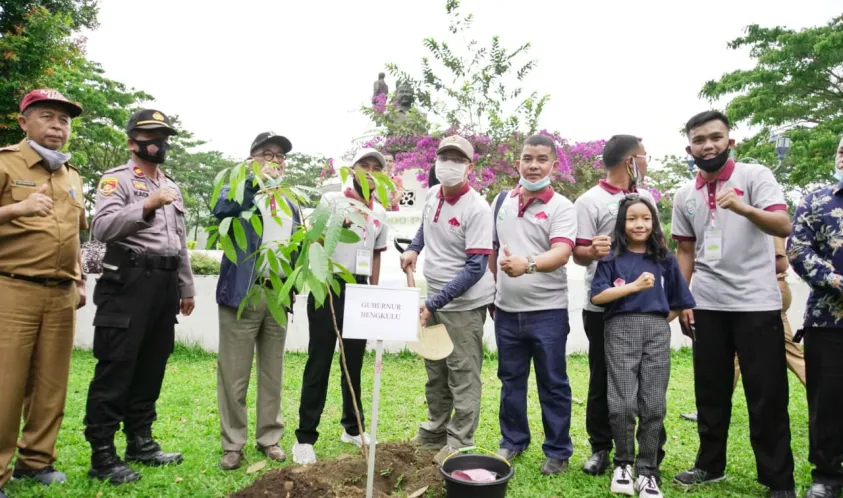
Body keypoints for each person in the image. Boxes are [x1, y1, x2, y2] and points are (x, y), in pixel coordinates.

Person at [671, 111, 795, 498]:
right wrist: (683, 299)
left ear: (730, 141)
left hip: (756, 302)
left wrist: (744, 209)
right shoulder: (683, 195)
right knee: (710, 390)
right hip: (707, 304)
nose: (707, 145)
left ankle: (778, 480)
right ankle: (710, 466)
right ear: (689, 147)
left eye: (715, 137)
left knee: (766, 393)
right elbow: (685, 250)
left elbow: (783, 225)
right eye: (699, 139)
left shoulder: (755, 176)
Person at [84, 109, 196, 484]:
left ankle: (141, 442)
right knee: (117, 364)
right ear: (132, 142)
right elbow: (101, 228)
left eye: (164, 136)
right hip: (128, 282)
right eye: (150, 136)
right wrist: (147, 205)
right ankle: (102, 454)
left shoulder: (171, 185)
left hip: (164, 286)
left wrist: (186, 286)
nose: (159, 143)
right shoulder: (116, 181)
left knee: (152, 364)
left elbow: (178, 243)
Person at [0, 89, 86, 496]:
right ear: (24, 122)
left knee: (52, 383)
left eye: (64, 120)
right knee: (6, 385)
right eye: (48, 116)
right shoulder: (4, 163)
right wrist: (15, 210)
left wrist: (79, 279)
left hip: (61, 293)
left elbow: (73, 236)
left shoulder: (73, 176)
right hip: (12, 288)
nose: (57, 126)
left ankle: (36, 461)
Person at [591, 195, 695, 498]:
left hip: (656, 330)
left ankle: (647, 470)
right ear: (622, 223)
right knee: (623, 402)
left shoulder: (664, 258)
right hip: (619, 328)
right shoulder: (611, 257)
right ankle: (623, 463)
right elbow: (598, 297)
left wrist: (660, 321)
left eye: (646, 218)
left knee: (653, 404)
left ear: (654, 222)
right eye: (632, 218)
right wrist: (633, 287)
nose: (640, 224)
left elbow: (679, 300)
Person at [401, 135, 495, 464]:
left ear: (470, 167)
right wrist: (414, 248)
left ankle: (459, 441)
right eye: (445, 158)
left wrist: (435, 302)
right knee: (435, 367)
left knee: (463, 372)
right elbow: (425, 228)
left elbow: (475, 267)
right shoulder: (431, 194)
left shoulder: (477, 209)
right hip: (436, 298)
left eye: (458, 160)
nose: (449, 165)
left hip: (464, 305)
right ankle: (434, 430)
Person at [292, 148, 388, 464]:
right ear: (352, 169)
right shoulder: (332, 201)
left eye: (376, 167)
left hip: (360, 292)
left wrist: (372, 292)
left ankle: (352, 427)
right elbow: (314, 243)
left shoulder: (380, 212)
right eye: (364, 165)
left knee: (354, 362)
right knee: (318, 361)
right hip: (328, 288)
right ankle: (305, 437)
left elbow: (375, 254)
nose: (370, 171)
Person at [572, 135, 661, 476]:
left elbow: (658, 247)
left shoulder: (647, 198)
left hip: (645, 306)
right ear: (630, 162)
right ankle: (601, 448)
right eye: (644, 155)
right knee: (603, 379)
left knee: (646, 380)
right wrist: (591, 252)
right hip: (603, 309)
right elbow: (579, 255)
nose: (646, 161)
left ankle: (649, 453)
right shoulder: (588, 201)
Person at [489, 135, 577, 475]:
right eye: (528, 158)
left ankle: (557, 450)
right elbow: (493, 252)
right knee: (511, 379)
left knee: (553, 381)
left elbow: (562, 253)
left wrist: (527, 265)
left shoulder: (562, 207)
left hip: (548, 311)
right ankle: (513, 440)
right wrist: (494, 294)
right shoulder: (501, 202)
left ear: (554, 165)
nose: (534, 165)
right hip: (507, 311)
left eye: (542, 159)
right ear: (518, 163)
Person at [213, 132, 300, 470]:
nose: (275, 160)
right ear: (251, 159)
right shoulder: (238, 188)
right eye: (267, 153)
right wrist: (252, 181)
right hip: (242, 293)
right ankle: (233, 444)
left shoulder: (290, 200)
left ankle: (270, 438)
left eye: (280, 156)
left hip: (276, 293)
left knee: (272, 371)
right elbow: (221, 210)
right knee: (234, 374)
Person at [787, 134, 843, 498]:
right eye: (842, 151)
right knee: (828, 399)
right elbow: (798, 249)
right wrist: (838, 281)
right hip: (829, 320)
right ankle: (827, 474)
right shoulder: (815, 200)